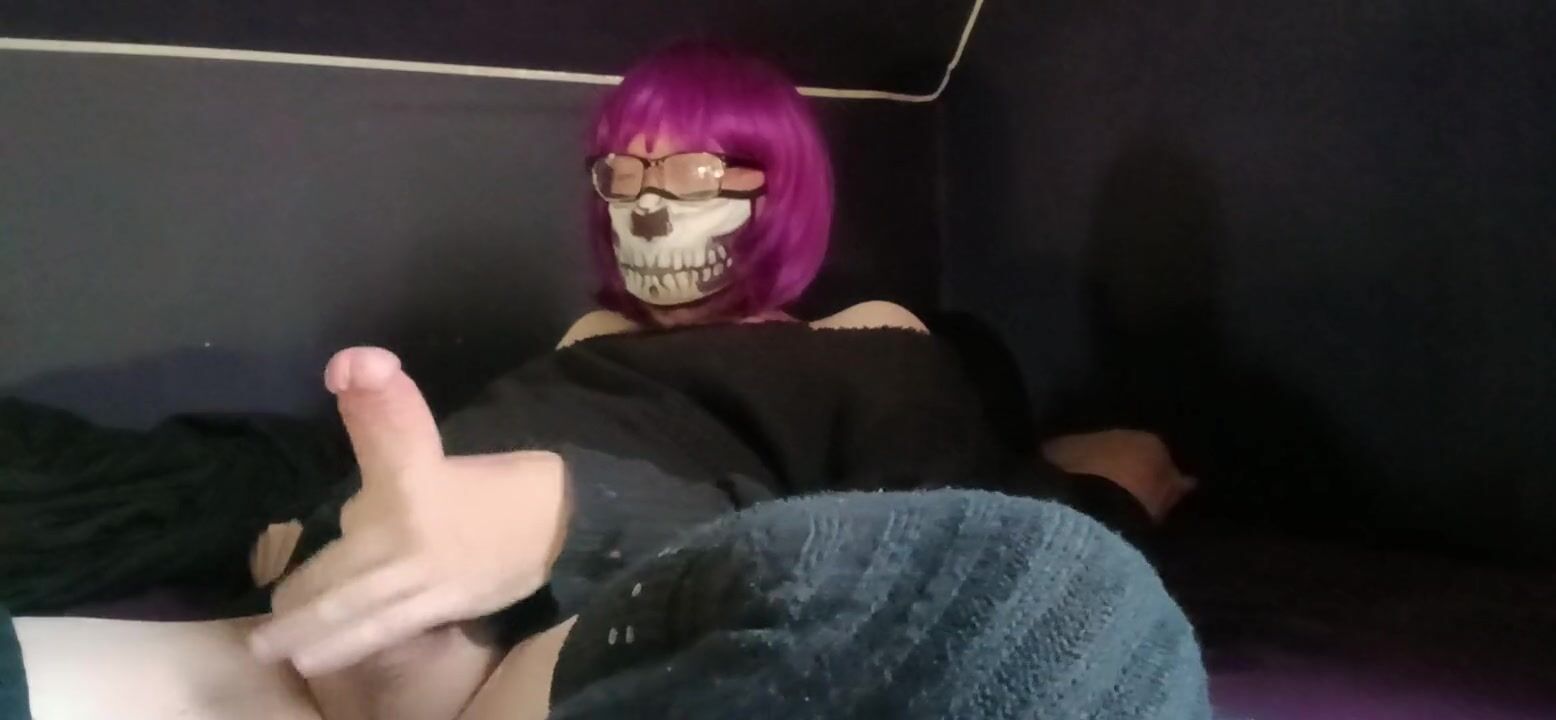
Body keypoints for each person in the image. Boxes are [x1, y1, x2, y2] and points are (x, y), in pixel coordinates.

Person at [2, 42, 1203, 719]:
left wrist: (569, 514)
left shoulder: (863, 339)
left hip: (580, 628)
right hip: (342, 634)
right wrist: (314, 527)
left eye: (690, 176)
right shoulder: (583, 342)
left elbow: (935, 539)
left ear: (777, 187)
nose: (645, 208)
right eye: (621, 178)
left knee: (1057, 617)